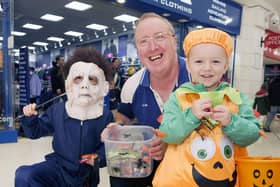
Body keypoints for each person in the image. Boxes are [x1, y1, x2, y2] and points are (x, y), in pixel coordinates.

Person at [152, 28, 261, 186]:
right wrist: (192, 115)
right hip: (180, 181)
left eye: (216, 61)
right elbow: (168, 134)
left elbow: (252, 134)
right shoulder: (179, 96)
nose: (207, 68)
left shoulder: (236, 98)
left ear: (225, 67)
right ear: (188, 66)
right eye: (199, 61)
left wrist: (231, 121)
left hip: (226, 178)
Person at [104, 12, 190, 187]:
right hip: (150, 162)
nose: (152, 47)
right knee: (119, 165)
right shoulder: (132, 85)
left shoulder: (198, 74)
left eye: (159, 37)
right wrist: (118, 128)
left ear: (174, 41)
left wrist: (172, 144)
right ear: (138, 51)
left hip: (193, 162)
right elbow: (124, 116)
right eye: (143, 41)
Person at [15, 47, 114, 187]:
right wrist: (30, 118)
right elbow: (35, 132)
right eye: (78, 78)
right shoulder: (57, 111)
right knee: (25, 175)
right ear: (68, 85)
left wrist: (98, 158)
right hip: (57, 167)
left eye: (92, 79)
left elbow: (109, 147)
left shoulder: (105, 116)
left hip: (86, 174)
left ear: (103, 88)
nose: (84, 85)